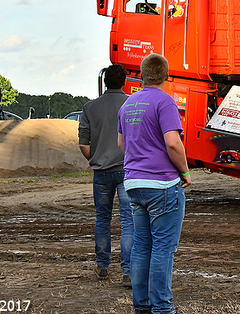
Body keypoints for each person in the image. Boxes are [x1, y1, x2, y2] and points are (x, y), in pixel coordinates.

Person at [118, 53, 192, 314]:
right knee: (162, 247)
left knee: (141, 245)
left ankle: (142, 306)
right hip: (161, 184)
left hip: (133, 184)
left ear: (141, 74)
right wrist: (184, 172)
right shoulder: (165, 102)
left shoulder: (127, 105)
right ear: (166, 76)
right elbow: (173, 142)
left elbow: (122, 145)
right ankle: (162, 308)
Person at [78, 64, 134, 287]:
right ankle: (128, 271)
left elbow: (83, 145)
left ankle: (102, 266)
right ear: (125, 82)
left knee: (103, 219)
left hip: (101, 172)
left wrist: (98, 155)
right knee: (128, 221)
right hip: (127, 170)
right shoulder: (132, 104)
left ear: (104, 82)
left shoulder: (89, 107)